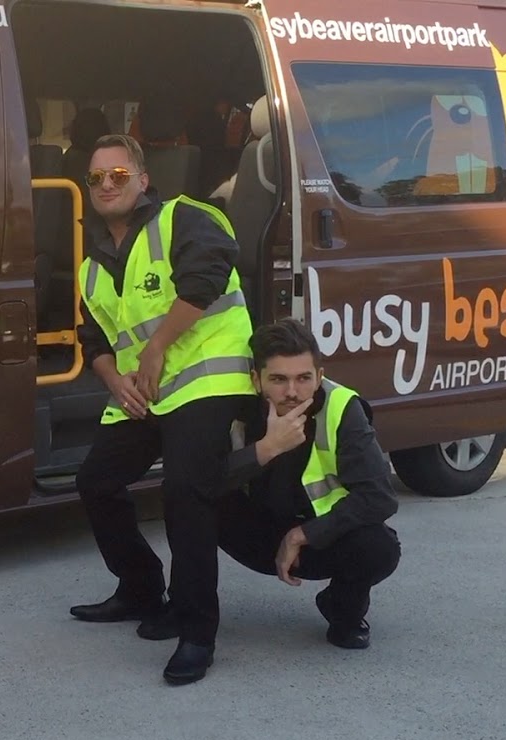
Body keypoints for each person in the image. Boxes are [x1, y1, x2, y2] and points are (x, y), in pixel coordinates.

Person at [65, 133, 256, 686]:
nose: (106, 184)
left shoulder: (184, 218)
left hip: (207, 375)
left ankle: (196, 631)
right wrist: (113, 381)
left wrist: (156, 347)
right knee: (96, 481)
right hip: (145, 392)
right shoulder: (91, 267)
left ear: (143, 180)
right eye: (96, 177)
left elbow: (209, 274)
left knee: (184, 490)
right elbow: (94, 340)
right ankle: (140, 590)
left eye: (119, 175)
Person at [214, 318, 402, 649]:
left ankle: (342, 611)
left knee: (379, 547)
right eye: (278, 379)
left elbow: (380, 497)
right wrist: (267, 448)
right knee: (186, 500)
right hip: (255, 531)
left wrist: (303, 535)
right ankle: (189, 610)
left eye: (303, 378)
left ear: (319, 375)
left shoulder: (342, 407)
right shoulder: (233, 405)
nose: (292, 392)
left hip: (318, 538)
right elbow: (199, 481)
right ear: (256, 379)